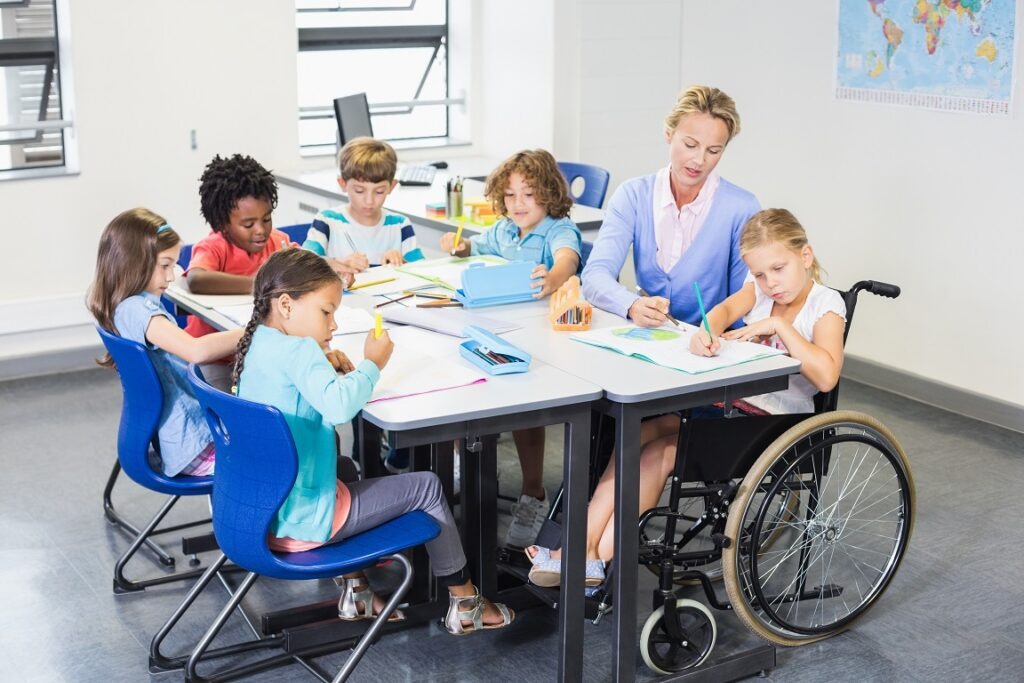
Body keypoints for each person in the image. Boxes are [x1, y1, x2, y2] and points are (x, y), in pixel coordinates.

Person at [527, 208, 846, 586]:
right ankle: (583, 551)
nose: (769, 283)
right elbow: (727, 308)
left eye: (778, 269)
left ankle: (590, 555)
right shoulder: (760, 291)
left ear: (804, 256)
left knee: (659, 454)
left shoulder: (824, 306)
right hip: (730, 406)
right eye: (759, 274)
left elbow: (826, 377)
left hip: (771, 425)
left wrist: (778, 325)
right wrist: (707, 331)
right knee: (637, 432)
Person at [233, 249, 513, 634]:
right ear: (285, 305)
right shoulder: (301, 350)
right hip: (303, 523)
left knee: (345, 467)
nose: (333, 324)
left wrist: (326, 365)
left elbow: (299, 391)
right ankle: (466, 602)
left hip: (262, 514)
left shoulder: (260, 343)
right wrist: (372, 363)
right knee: (428, 487)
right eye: (326, 312)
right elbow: (339, 408)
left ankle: (358, 591)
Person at [440, 149, 583, 549]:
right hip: (498, 331)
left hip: (541, 341)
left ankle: (533, 492)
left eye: (528, 195)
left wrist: (553, 277)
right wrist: (464, 251)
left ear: (550, 195)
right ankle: (462, 470)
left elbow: (567, 260)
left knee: (526, 414)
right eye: (510, 195)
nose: (517, 204)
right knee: (461, 383)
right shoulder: (502, 230)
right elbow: (478, 247)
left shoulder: (557, 230)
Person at [581, 84, 760, 327]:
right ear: (668, 133)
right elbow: (595, 275)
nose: (699, 160)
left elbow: (748, 297)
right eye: (690, 144)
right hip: (648, 340)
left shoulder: (741, 208)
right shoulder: (632, 196)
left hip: (712, 347)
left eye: (714, 150)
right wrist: (631, 304)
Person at [87, 208, 243, 477]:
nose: (171, 277)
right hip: (194, 447)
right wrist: (253, 328)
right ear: (133, 262)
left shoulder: (123, 306)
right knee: (277, 457)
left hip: (181, 439)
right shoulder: (139, 312)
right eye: (165, 265)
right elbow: (197, 351)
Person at [183, 154, 295, 388]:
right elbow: (196, 279)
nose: (260, 230)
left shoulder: (278, 242)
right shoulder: (214, 246)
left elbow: (304, 270)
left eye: (266, 219)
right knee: (229, 409)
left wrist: (333, 266)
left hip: (261, 354)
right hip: (217, 358)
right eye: (248, 224)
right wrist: (256, 283)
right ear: (223, 222)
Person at [303, 136, 424, 273]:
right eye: (359, 191)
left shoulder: (400, 224)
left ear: (392, 186)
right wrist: (338, 263)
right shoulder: (327, 221)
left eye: (379, 191)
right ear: (342, 184)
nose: (369, 201)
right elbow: (304, 264)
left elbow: (422, 271)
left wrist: (402, 262)